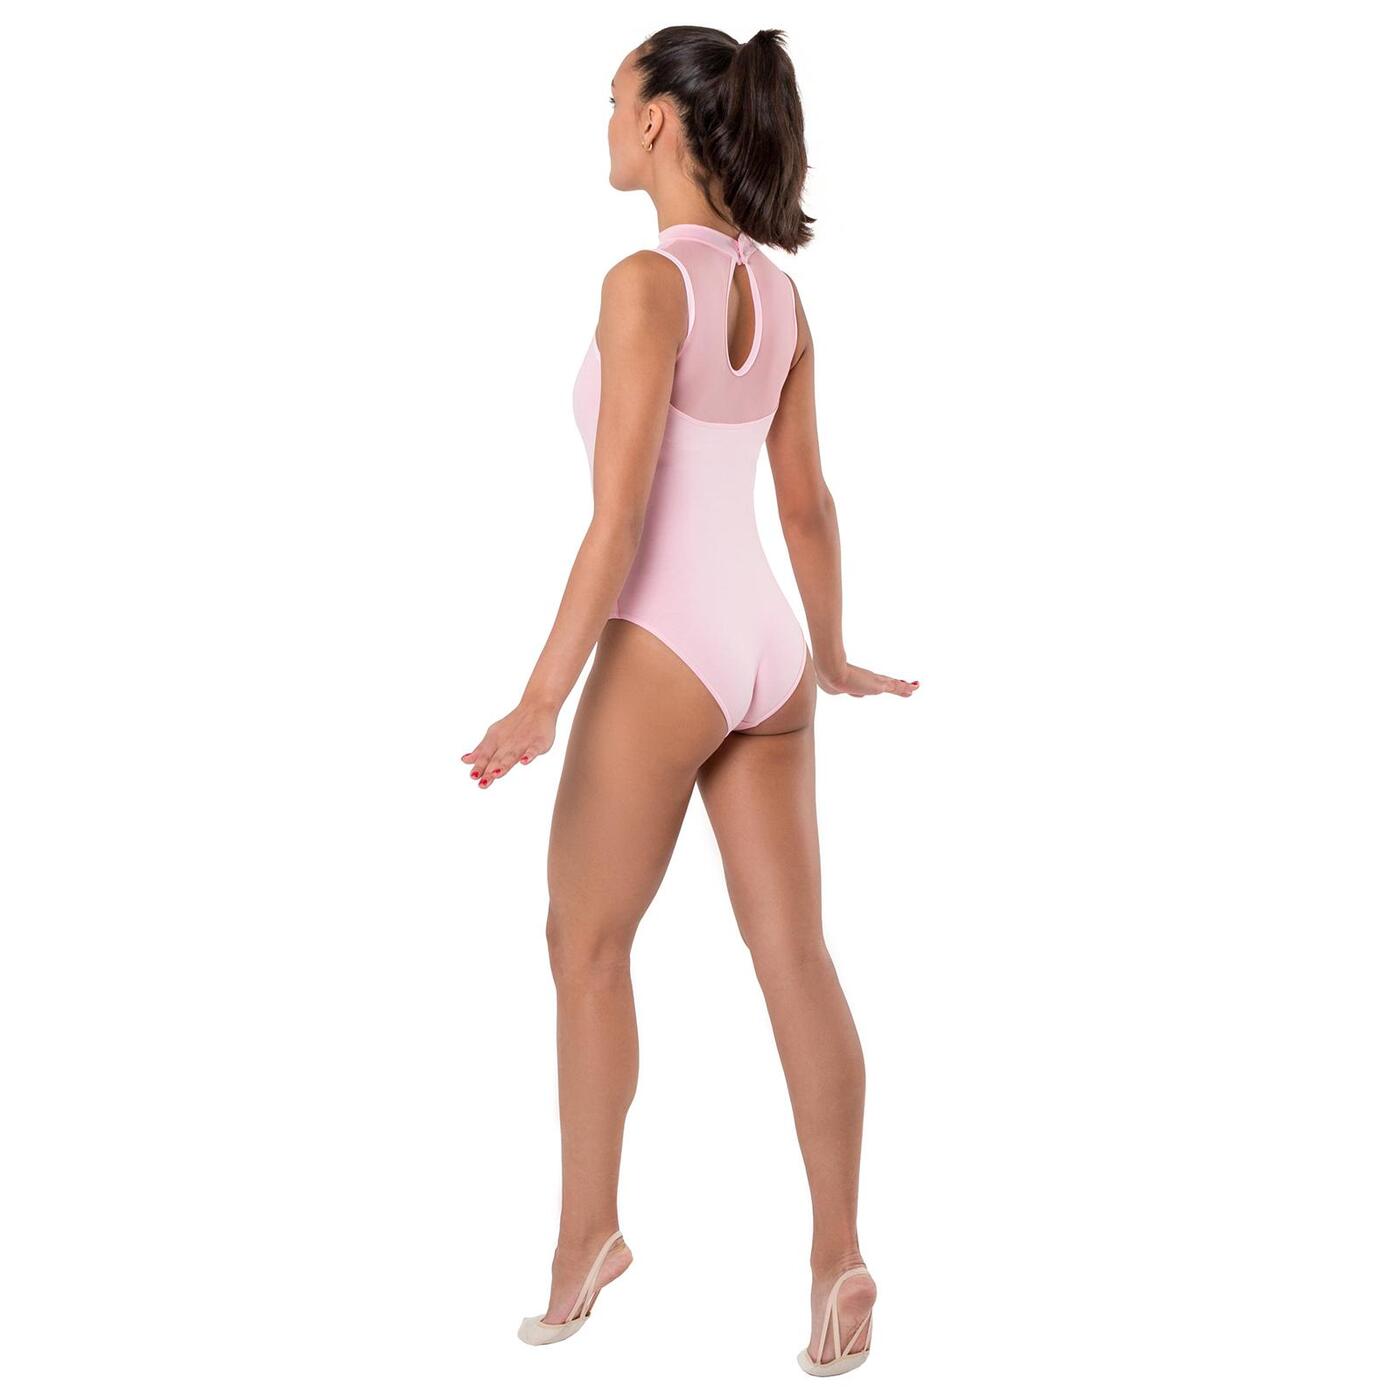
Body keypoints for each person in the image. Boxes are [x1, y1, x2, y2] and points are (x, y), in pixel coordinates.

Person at [462, 26, 917, 1375]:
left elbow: (617, 525)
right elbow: (806, 505)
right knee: (797, 958)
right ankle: (838, 1257)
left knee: (586, 942)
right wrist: (828, 653)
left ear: (661, 120)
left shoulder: (644, 282)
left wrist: (541, 699)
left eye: (615, 100)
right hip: (767, 650)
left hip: (666, 644)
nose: (607, 122)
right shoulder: (780, 297)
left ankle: (585, 1240)